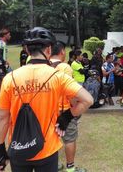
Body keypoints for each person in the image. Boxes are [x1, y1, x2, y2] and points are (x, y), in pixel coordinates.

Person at [0, 27, 94, 172]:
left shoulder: (10, 78)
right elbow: (88, 100)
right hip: (47, 148)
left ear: (27, 50)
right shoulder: (58, 76)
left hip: (18, 147)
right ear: (48, 50)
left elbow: (3, 118)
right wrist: (66, 117)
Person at [50, 41, 86, 172]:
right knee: (69, 138)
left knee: (51, 137)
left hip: (47, 109)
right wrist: (75, 106)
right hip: (64, 109)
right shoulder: (65, 67)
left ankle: (53, 165)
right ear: (62, 51)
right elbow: (69, 91)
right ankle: (70, 168)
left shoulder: (43, 65)